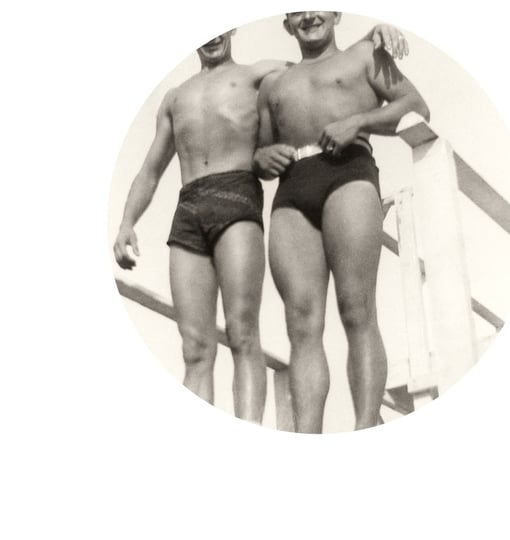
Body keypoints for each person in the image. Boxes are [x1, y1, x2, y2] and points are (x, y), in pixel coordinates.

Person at [112, 23, 408, 424]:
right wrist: (127, 222)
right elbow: (150, 169)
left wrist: (372, 35)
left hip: (237, 196)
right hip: (190, 207)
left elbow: (320, 62)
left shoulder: (259, 74)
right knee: (194, 347)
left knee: (243, 332)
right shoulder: (174, 97)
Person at [254, 11, 429, 432]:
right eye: (297, 10)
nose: (309, 15)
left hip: (349, 173)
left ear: (335, 13)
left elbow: (417, 106)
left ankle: (365, 428)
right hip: (293, 189)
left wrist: (360, 121)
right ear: (286, 23)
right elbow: (259, 152)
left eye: (317, 5)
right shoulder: (274, 84)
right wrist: (261, 158)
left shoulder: (364, 55)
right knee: (301, 324)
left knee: (356, 309)